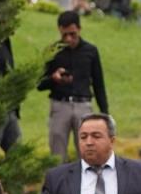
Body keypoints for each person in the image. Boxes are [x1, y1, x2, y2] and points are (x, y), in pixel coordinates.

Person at [39, 11, 108, 161]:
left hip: (83, 104)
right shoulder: (53, 51)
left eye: (72, 34)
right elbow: (39, 84)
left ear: (79, 29)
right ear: (59, 31)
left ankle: (87, 183)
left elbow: (98, 83)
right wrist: (53, 78)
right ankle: (59, 183)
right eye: (65, 35)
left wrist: (104, 112)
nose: (69, 39)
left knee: (87, 152)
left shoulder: (90, 51)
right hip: (60, 104)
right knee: (57, 152)